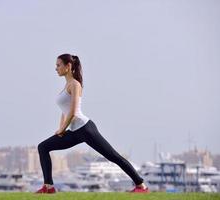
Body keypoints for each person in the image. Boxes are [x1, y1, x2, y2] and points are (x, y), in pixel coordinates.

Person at [35, 53, 149, 194]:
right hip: (73, 131)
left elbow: (73, 110)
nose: (55, 68)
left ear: (68, 66)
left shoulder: (75, 84)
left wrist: (62, 128)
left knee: (113, 156)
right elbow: (64, 111)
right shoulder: (66, 86)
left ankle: (141, 185)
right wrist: (61, 128)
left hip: (85, 129)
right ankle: (48, 187)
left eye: (58, 65)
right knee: (43, 147)